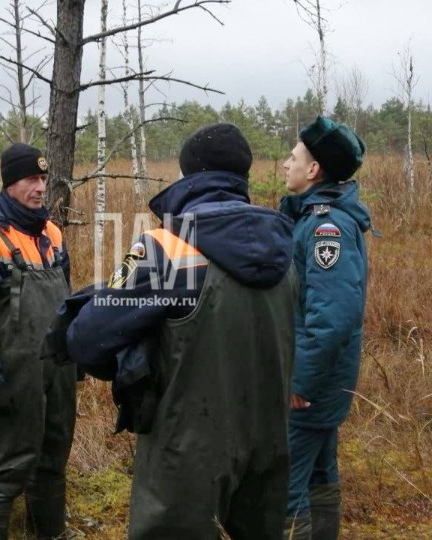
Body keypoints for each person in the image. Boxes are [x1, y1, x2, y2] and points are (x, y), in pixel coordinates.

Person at [66, 123, 298, 539]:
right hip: (271, 437)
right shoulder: (283, 248)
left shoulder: (167, 246)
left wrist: (127, 359)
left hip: (188, 447)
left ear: (189, 175)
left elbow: (86, 339)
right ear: (242, 176)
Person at [0, 143, 75, 540]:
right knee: (8, 469)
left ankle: (51, 534)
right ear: (9, 184)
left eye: (43, 178)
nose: (40, 188)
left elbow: (65, 300)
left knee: (54, 457)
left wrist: (75, 354)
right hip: (11, 373)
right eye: (30, 180)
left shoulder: (52, 233)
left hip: (56, 368)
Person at [279, 116, 371, 540]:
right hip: (323, 383)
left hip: (311, 386)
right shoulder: (313, 218)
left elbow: (332, 316)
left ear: (313, 170)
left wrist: (301, 381)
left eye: (294, 157)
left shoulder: (325, 226)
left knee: (287, 487)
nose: (286, 163)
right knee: (319, 472)